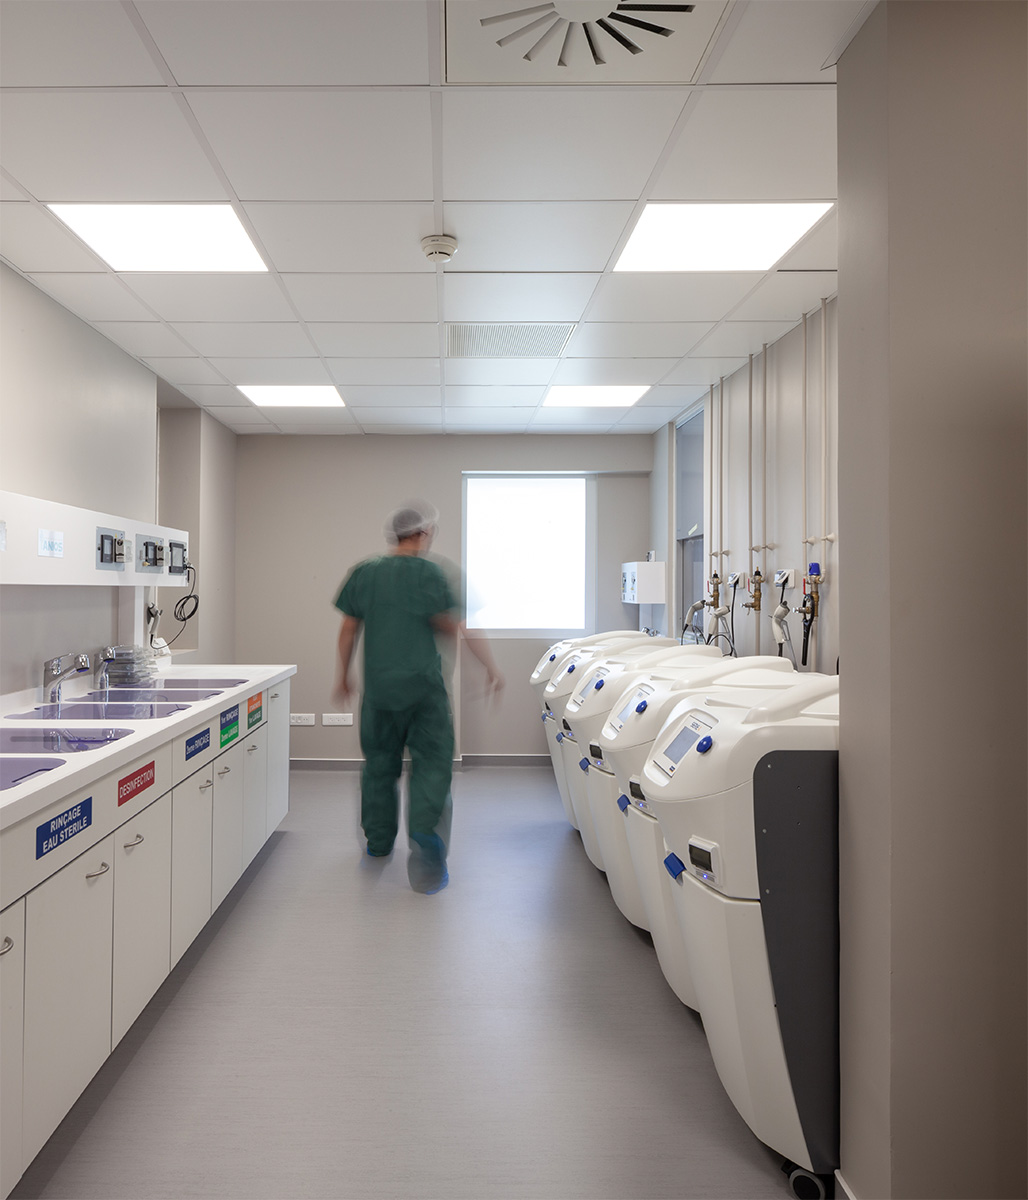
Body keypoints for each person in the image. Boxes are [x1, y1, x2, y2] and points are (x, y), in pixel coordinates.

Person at [332, 503, 503, 893]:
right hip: (425, 693)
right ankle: (426, 852)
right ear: (424, 533)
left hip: (379, 692)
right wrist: (491, 668)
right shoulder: (432, 573)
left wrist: (343, 676)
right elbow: (458, 626)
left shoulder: (366, 572)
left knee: (378, 766)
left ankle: (377, 843)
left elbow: (347, 629)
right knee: (431, 769)